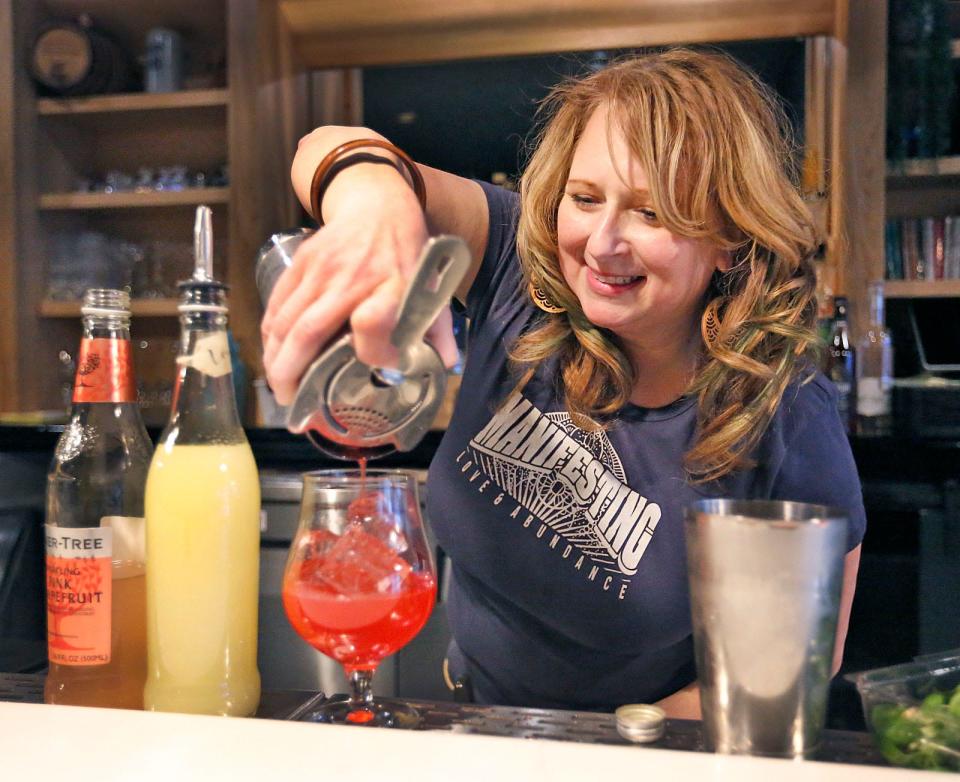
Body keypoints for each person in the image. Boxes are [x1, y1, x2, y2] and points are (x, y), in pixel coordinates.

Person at [261, 48, 865, 718]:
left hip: (648, 755)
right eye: (585, 198)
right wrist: (373, 201)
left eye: (652, 212)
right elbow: (325, 145)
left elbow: (788, 668)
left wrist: (593, 749)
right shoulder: (519, 268)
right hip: (475, 727)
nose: (602, 243)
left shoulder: (783, 407)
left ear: (729, 235)